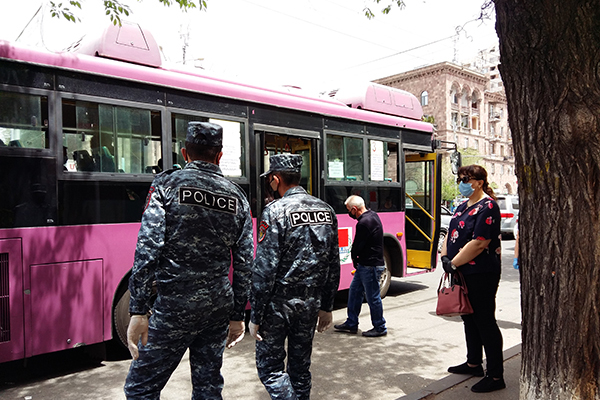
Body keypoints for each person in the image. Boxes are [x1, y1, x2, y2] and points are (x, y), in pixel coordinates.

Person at [124, 122, 254, 400]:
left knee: (140, 389)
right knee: (208, 389)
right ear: (219, 155)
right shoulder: (238, 197)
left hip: (174, 306)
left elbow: (148, 248)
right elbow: (245, 263)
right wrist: (237, 315)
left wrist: (138, 309)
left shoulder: (167, 184)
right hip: (218, 306)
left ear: (185, 153)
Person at [250, 153, 340, 400]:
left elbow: (265, 269)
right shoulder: (326, 210)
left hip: (279, 305)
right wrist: (327, 306)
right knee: (300, 369)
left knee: (270, 369)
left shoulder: (275, 211)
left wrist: (255, 314)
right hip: (311, 304)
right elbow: (334, 264)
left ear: (276, 179)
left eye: (270, 180)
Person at [440, 164, 505, 393]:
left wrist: (454, 262)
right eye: (460, 178)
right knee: (468, 318)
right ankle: (473, 363)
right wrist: (445, 256)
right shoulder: (461, 206)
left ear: (478, 181)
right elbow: (450, 233)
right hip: (461, 271)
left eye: (465, 179)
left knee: (484, 321)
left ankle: (496, 375)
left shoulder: (488, 206)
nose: (462, 183)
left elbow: (479, 243)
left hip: (481, 273)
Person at [334, 195, 387, 337]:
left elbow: (358, 245)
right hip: (366, 264)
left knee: (373, 297)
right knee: (354, 292)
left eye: (348, 210)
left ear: (354, 209)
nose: (348, 213)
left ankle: (380, 326)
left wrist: (353, 257)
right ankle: (351, 322)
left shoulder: (364, 222)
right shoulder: (373, 216)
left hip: (370, 265)